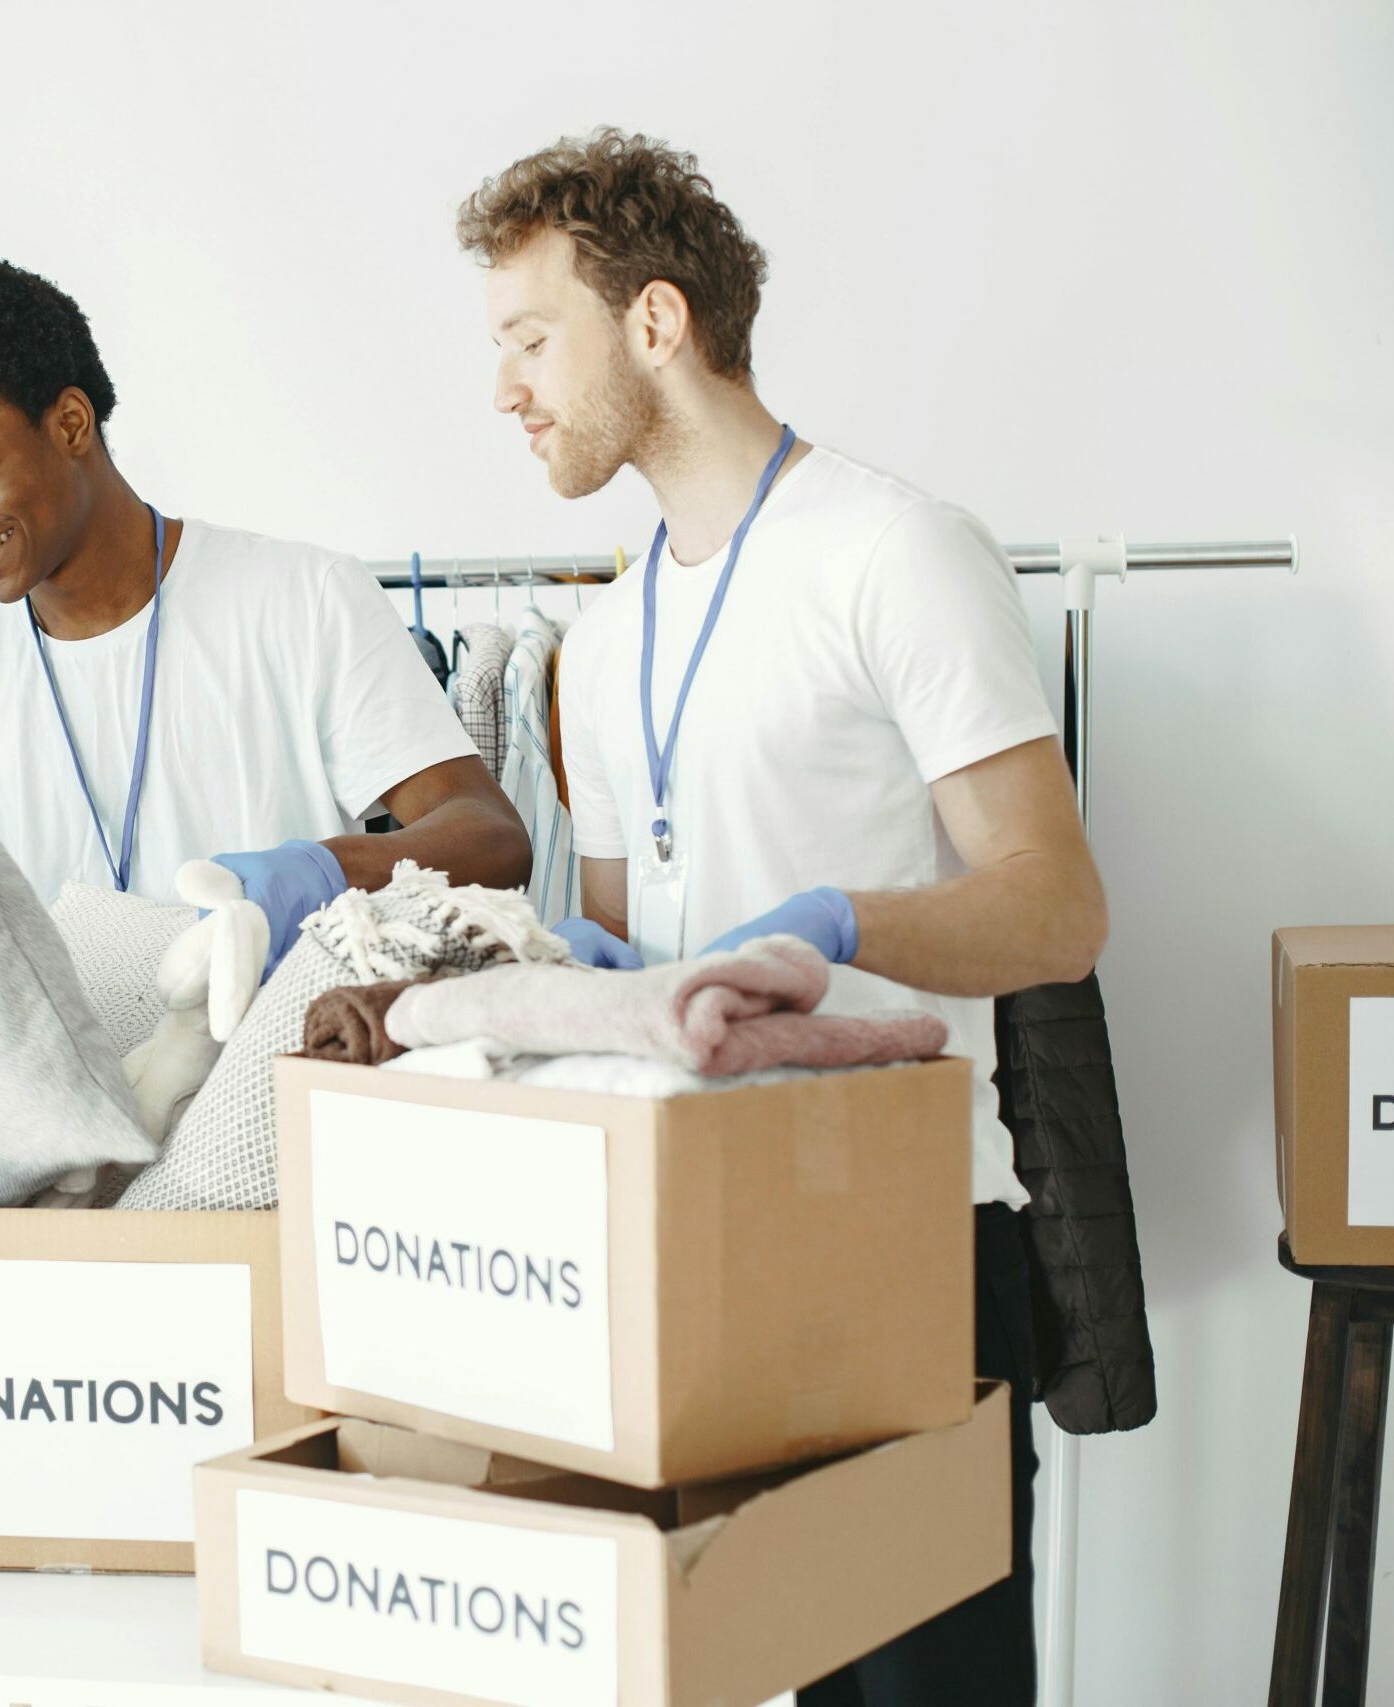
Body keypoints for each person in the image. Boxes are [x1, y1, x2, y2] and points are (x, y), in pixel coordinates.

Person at [458, 130, 1108, 1704]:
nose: (506, 389)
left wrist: (833, 924)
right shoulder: (599, 648)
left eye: (531, 337)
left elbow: (1056, 909)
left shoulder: (895, 550)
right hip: (691, 1236)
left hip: (899, 1232)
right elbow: (630, 965)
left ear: (658, 322)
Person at [0, 259, 530, 971]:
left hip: (280, 1067)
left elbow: (491, 838)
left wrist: (326, 870)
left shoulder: (304, 598)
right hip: (60, 1081)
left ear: (71, 424)